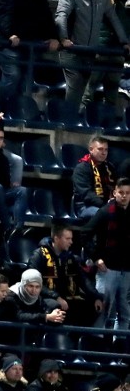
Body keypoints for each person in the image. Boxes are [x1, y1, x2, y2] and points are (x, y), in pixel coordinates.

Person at [55, 0, 130, 110]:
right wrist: (63, 38)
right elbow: (61, 16)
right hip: (72, 49)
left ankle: (75, 120)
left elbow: (114, 19)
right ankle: (68, 120)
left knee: (82, 88)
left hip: (89, 52)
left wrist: (124, 41)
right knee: (75, 86)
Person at [0, 0, 60, 108]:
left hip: (30, 45)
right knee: (13, 75)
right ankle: (2, 109)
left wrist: (54, 37)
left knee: (27, 82)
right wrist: (10, 34)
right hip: (9, 44)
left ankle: (20, 111)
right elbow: (5, 13)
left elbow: (47, 18)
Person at [83, 178, 130, 345]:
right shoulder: (105, 212)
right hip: (107, 269)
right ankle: (96, 345)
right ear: (115, 193)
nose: (124, 196)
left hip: (126, 270)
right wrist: (96, 258)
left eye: (127, 193)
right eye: (121, 192)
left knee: (124, 312)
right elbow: (85, 234)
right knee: (103, 310)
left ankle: (120, 346)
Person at [27, 225, 101, 328]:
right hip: (44, 297)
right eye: (67, 239)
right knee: (55, 307)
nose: (71, 242)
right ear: (56, 238)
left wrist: (96, 297)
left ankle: (76, 339)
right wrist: (56, 297)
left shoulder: (70, 257)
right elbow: (32, 283)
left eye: (71, 238)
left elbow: (83, 280)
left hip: (66, 297)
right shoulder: (39, 255)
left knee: (90, 306)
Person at [72, 136, 116, 218]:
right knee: (105, 214)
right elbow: (86, 194)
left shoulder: (109, 167)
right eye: (100, 149)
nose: (104, 153)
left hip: (106, 205)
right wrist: (106, 206)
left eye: (106, 150)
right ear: (91, 149)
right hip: (85, 206)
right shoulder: (81, 168)